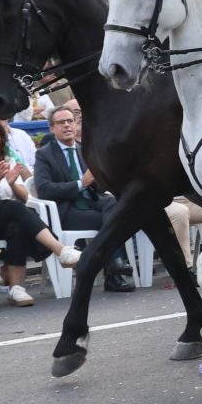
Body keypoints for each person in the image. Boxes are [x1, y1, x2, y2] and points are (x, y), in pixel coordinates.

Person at [0, 116, 82, 306]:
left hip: (8, 218)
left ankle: (16, 288)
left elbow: (24, 197)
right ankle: (60, 250)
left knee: (17, 225)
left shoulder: (7, 161)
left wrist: (12, 183)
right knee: (12, 207)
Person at [32, 106, 136, 291]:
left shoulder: (85, 149)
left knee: (117, 207)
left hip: (94, 201)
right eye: (61, 122)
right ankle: (114, 269)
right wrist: (81, 183)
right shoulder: (44, 154)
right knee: (114, 221)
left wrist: (102, 177)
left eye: (70, 121)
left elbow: (100, 186)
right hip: (67, 210)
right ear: (51, 128)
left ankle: (114, 267)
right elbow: (44, 190)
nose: (66, 126)